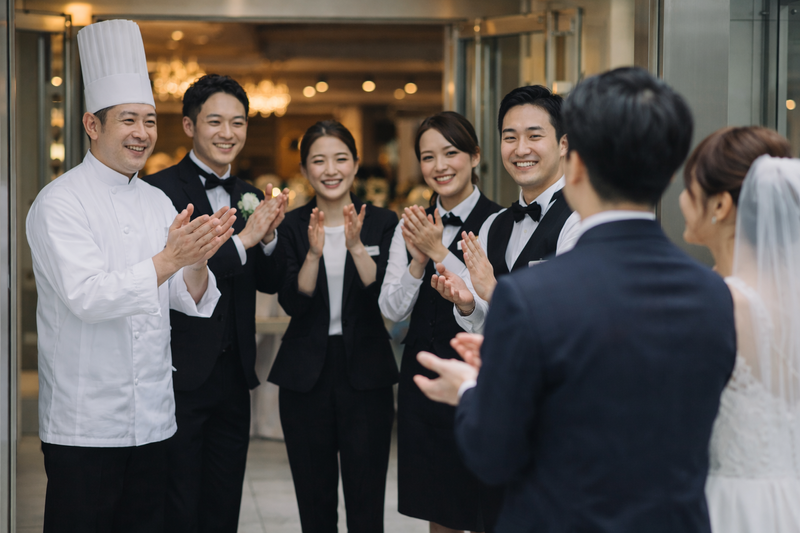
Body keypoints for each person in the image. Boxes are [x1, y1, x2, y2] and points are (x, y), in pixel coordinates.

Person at [414, 67, 737, 533]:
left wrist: (469, 390)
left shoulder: (532, 296)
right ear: (670, 173)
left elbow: (493, 452)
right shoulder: (715, 294)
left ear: (575, 161)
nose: (521, 148)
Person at [26, 20, 235, 533]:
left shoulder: (156, 200)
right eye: (128, 120)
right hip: (85, 424)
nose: (142, 133)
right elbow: (88, 297)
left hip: (154, 420)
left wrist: (197, 259)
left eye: (149, 120)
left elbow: (187, 300)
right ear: (92, 125)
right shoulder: (60, 202)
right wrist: (169, 259)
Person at [143, 74, 288, 532]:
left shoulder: (250, 195)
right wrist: (247, 238)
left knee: (225, 500)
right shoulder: (156, 192)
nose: (228, 133)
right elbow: (174, 272)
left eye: (238, 122)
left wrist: (269, 236)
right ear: (189, 126)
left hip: (235, 372)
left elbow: (270, 282)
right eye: (215, 121)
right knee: (178, 499)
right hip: (178, 370)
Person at [268, 120, 399, 533]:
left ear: (356, 164)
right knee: (314, 503)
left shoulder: (383, 221)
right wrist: (313, 254)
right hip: (305, 375)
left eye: (340, 159)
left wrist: (356, 247)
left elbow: (386, 297)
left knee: (367, 502)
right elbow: (292, 301)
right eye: (318, 160)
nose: (330, 170)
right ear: (304, 169)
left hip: (368, 373)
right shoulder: (291, 225)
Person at [378, 111, 502, 533]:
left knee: (484, 503)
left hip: (479, 378)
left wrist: (438, 252)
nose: (440, 166)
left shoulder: (498, 222)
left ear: (475, 156)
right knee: (439, 508)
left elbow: (492, 305)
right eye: (428, 157)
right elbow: (392, 309)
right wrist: (417, 262)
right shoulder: (410, 224)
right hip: (424, 378)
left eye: (450, 153)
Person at [678, 127, 800, 533]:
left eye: (689, 188)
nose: (681, 200)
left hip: (733, 507)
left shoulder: (721, 304)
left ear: (721, 205)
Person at [430, 86, 581, 333]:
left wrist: (494, 292)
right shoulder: (493, 224)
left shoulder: (581, 219)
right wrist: (469, 305)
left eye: (534, 136)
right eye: (510, 138)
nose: (520, 150)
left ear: (563, 144)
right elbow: (486, 325)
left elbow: (568, 316)